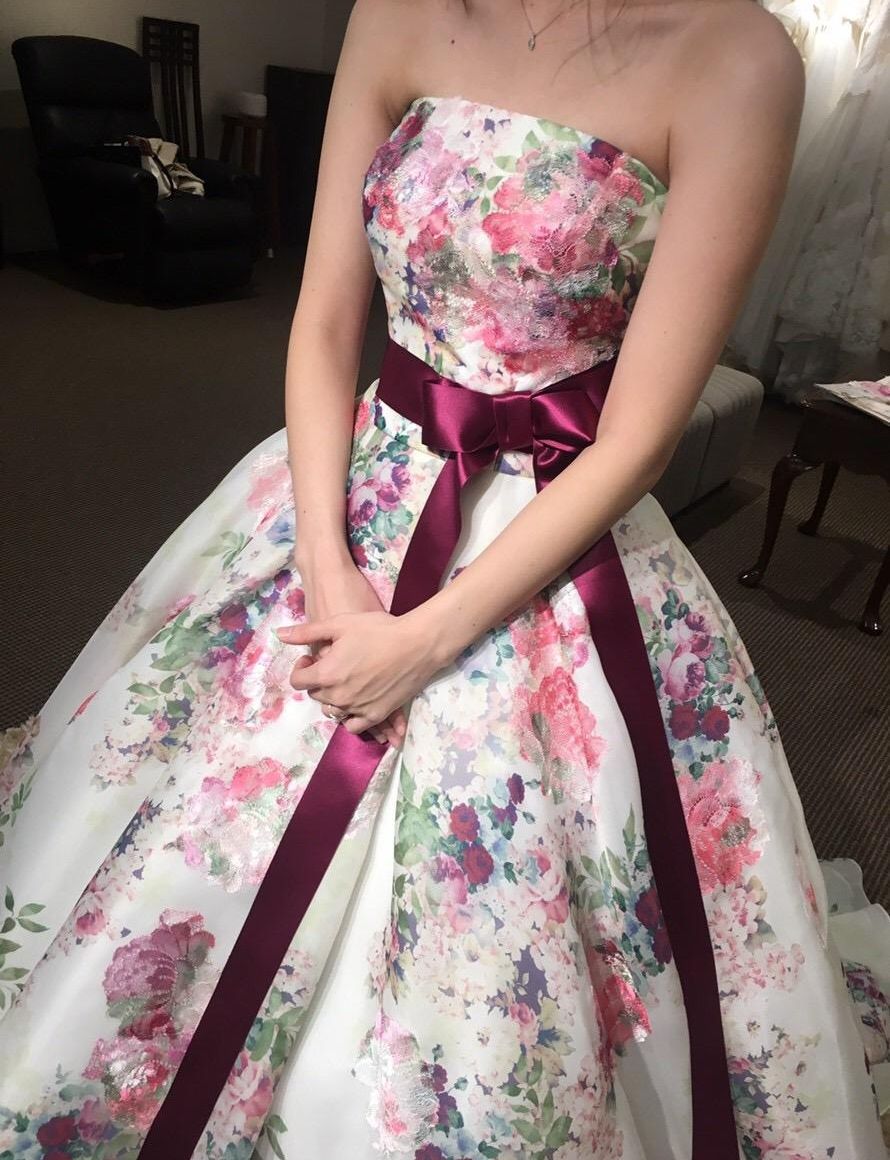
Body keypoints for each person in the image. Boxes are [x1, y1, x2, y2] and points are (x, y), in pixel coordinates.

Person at [0, 0, 887, 1156]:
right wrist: (327, 567)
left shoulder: (734, 55)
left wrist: (423, 639)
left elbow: (636, 438)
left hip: (549, 522)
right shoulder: (399, 10)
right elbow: (325, 319)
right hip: (351, 483)